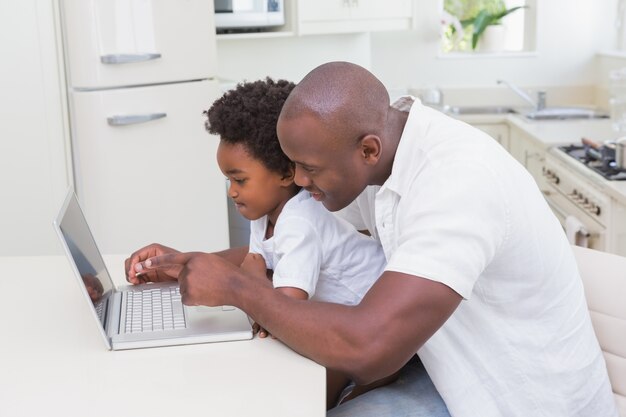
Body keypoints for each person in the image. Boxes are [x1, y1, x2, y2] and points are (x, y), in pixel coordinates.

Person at [127, 62, 618, 417]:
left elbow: (370, 346)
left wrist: (235, 289)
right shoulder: (379, 156)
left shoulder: (458, 183)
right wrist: (192, 264)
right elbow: (303, 237)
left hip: (516, 399)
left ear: (367, 149)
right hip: (449, 368)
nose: (297, 181)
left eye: (310, 169)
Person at [127, 77, 390, 408]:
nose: (231, 191)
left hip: (372, 329)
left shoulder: (298, 223)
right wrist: (181, 264)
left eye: (240, 180)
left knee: (299, 393)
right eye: (228, 180)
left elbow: (286, 309)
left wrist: (248, 283)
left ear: (284, 174)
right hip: (337, 313)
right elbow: (256, 264)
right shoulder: (265, 214)